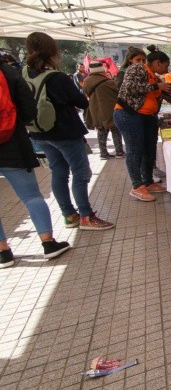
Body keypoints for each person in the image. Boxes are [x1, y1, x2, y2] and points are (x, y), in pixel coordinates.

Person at [23, 32, 115, 231]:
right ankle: (86, 216)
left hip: (39, 133)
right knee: (81, 172)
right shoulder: (56, 78)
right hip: (64, 132)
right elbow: (81, 102)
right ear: (53, 52)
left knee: (59, 172)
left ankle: (69, 215)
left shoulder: (23, 74)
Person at [0, 62, 71, 267]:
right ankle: (48, 243)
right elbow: (29, 109)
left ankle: (3, 252)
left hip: (12, 143)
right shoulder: (8, 71)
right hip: (13, 144)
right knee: (31, 196)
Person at [116, 46, 171, 202]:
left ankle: (148, 182)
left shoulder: (156, 78)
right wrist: (156, 86)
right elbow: (130, 88)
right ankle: (137, 186)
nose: (167, 68)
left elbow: (168, 97)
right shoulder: (137, 69)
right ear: (158, 63)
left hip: (147, 118)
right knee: (135, 150)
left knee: (149, 150)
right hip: (129, 115)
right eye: (165, 65)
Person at [84, 61, 125, 159]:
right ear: (102, 70)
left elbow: (86, 93)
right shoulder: (108, 81)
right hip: (109, 109)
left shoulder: (87, 81)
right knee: (115, 129)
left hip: (95, 109)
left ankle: (103, 153)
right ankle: (119, 152)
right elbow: (118, 93)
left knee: (101, 130)